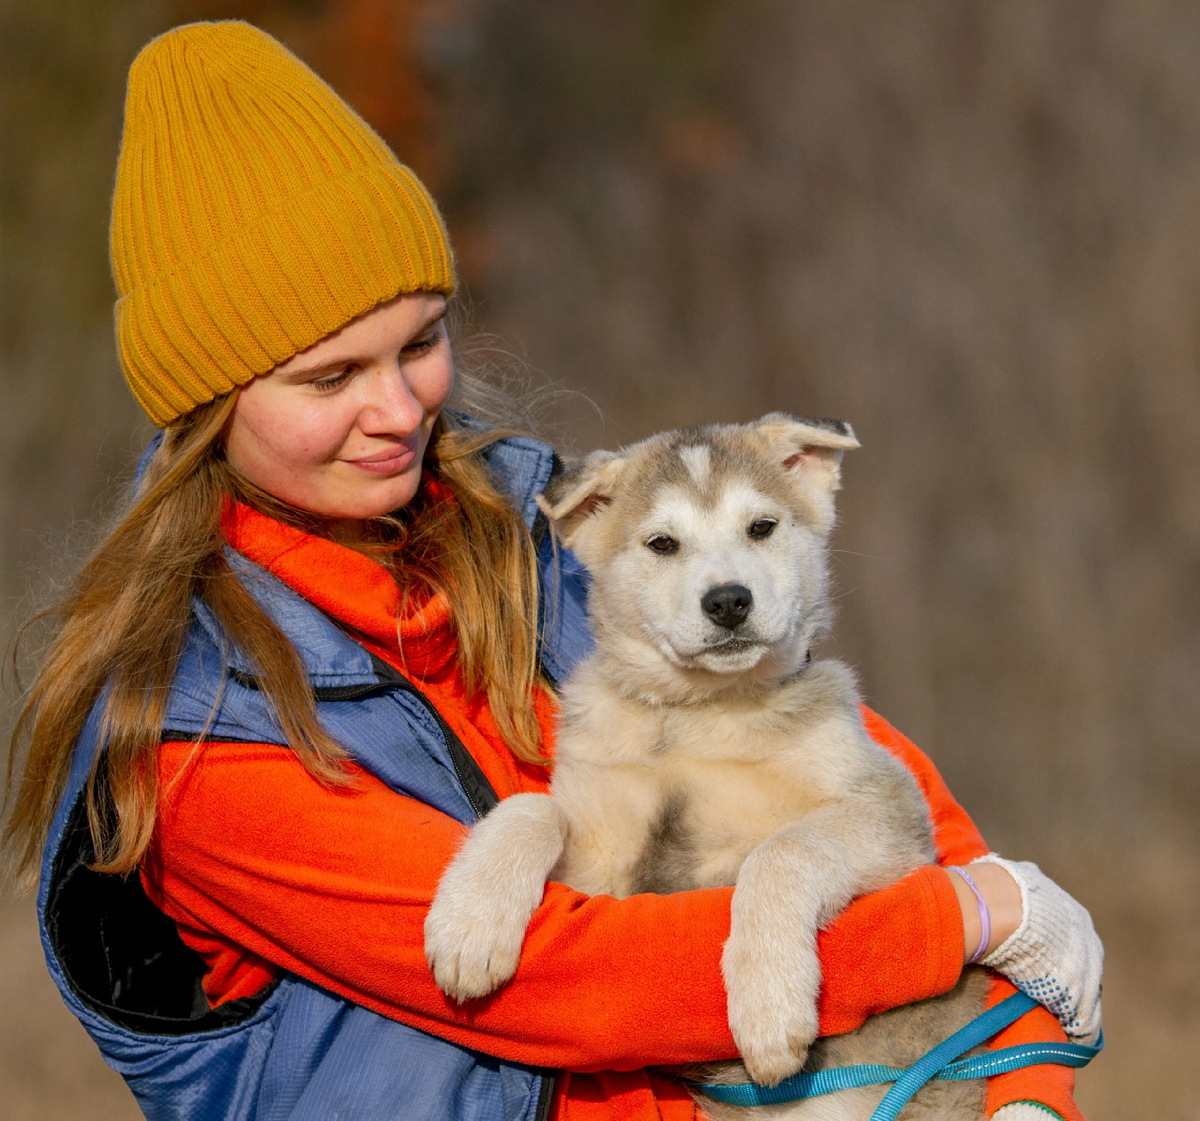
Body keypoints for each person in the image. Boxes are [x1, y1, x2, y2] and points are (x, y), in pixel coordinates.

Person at [4, 20, 1102, 1121]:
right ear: (209, 405)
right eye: (331, 376)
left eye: (420, 341)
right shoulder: (197, 729)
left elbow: (870, 784)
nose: (397, 412)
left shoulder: (541, 539)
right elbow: (564, 976)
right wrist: (967, 915)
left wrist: (1024, 1071)